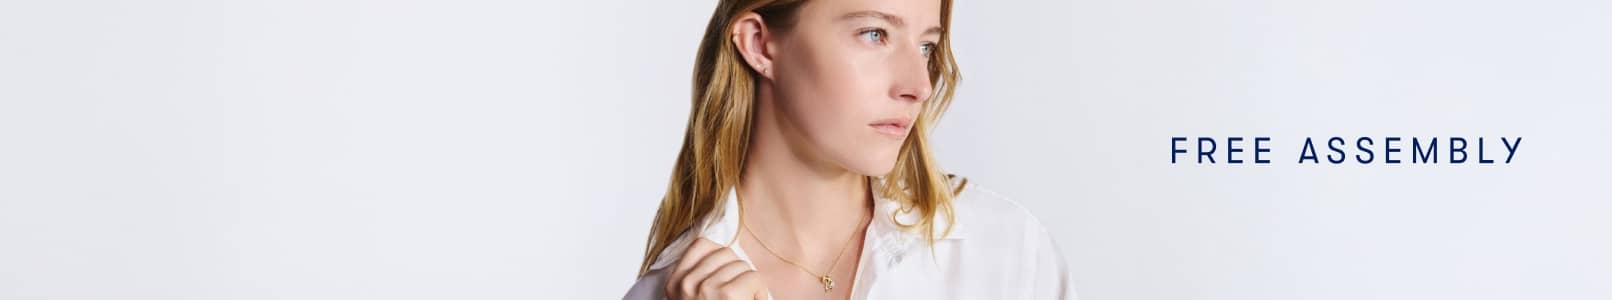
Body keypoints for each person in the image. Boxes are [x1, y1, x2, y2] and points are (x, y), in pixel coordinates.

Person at [625, 0, 1077, 298]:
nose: (918, 85)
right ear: (760, 44)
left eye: (926, 46)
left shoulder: (1006, 251)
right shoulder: (667, 291)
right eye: (875, 34)